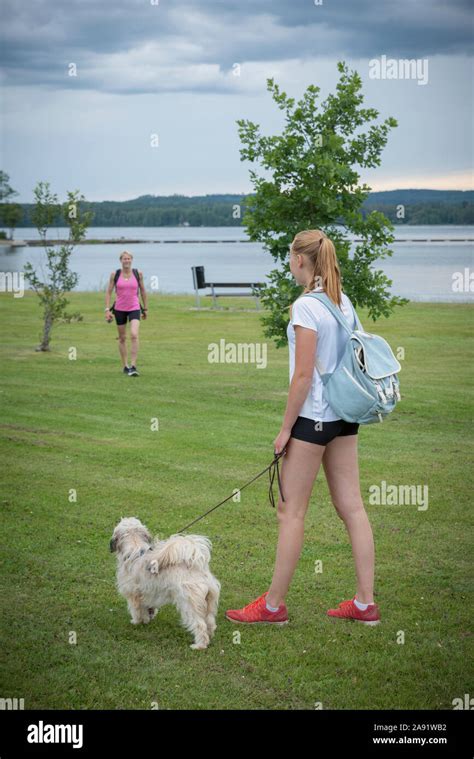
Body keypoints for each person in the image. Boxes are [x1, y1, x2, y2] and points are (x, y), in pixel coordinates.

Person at [226, 229, 380, 626]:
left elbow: (303, 376)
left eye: (290, 259)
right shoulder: (342, 302)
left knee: (290, 512)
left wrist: (284, 431)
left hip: (314, 420)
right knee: (353, 507)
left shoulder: (305, 307)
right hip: (345, 417)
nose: (289, 265)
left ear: (299, 260)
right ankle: (365, 604)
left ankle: (273, 607)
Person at [105, 251, 147, 376]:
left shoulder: (138, 273)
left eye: (128, 258)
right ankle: (125, 366)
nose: (126, 261)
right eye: (124, 259)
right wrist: (107, 310)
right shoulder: (115, 274)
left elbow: (143, 291)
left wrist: (145, 309)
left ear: (131, 260)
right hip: (119, 309)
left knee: (134, 334)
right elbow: (108, 292)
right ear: (121, 260)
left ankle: (133, 366)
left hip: (134, 307)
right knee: (122, 338)